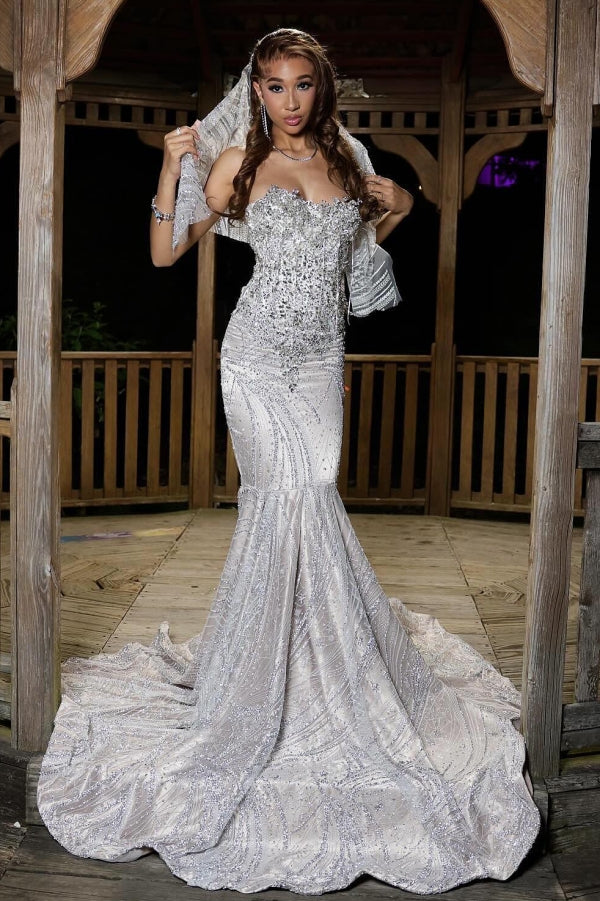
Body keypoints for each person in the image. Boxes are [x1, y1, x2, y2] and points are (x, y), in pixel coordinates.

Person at [37, 28, 539, 895]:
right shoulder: (236, 162)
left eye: (302, 84)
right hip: (256, 357)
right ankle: (257, 682)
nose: (289, 100)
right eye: (273, 85)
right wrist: (171, 167)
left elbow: (368, 251)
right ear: (256, 90)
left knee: (314, 497)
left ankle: (317, 667)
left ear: (322, 88)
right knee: (287, 499)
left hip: (319, 363)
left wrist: (401, 205)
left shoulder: (348, 163)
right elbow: (164, 251)